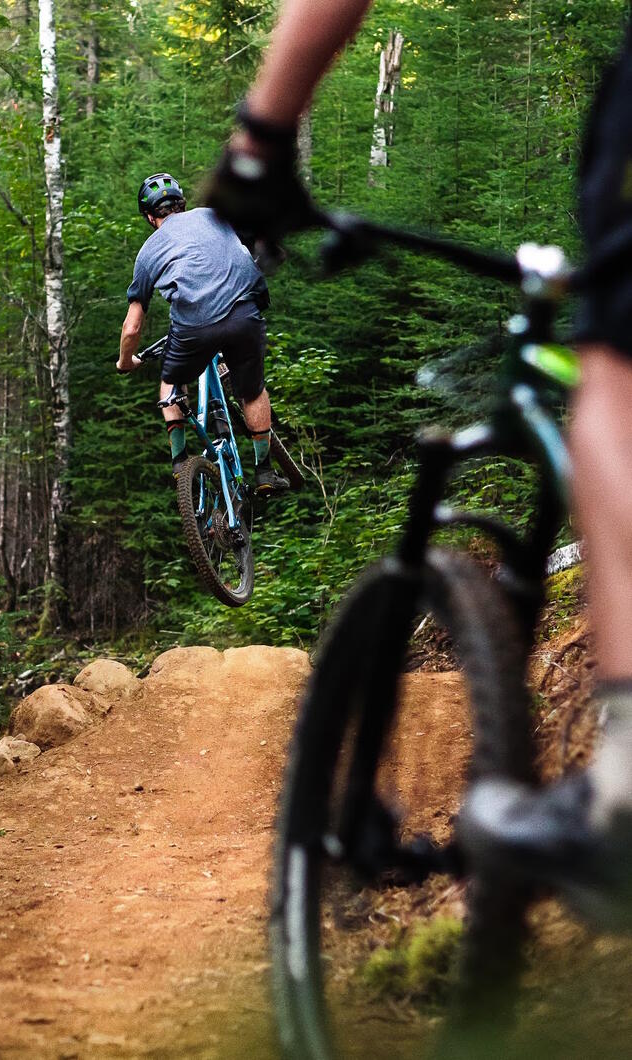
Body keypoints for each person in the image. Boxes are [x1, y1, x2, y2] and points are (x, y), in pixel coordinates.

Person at [206, 4, 632, 925]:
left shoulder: (167, 244)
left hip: (188, 346)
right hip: (239, 331)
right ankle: (250, 455)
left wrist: (263, 133)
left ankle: (627, 779)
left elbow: (139, 323)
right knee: (244, 377)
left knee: (614, 376)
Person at [116, 171, 289, 495]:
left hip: (193, 327)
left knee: (171, 380)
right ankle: (264, 472)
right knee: (251, 392)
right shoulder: (214, 216)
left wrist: (126, 361)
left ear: (150, 217)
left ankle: (180, 461)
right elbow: (261, 238)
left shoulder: (148, 252)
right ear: (182, 204)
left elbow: (132, 327)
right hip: (243, 313)